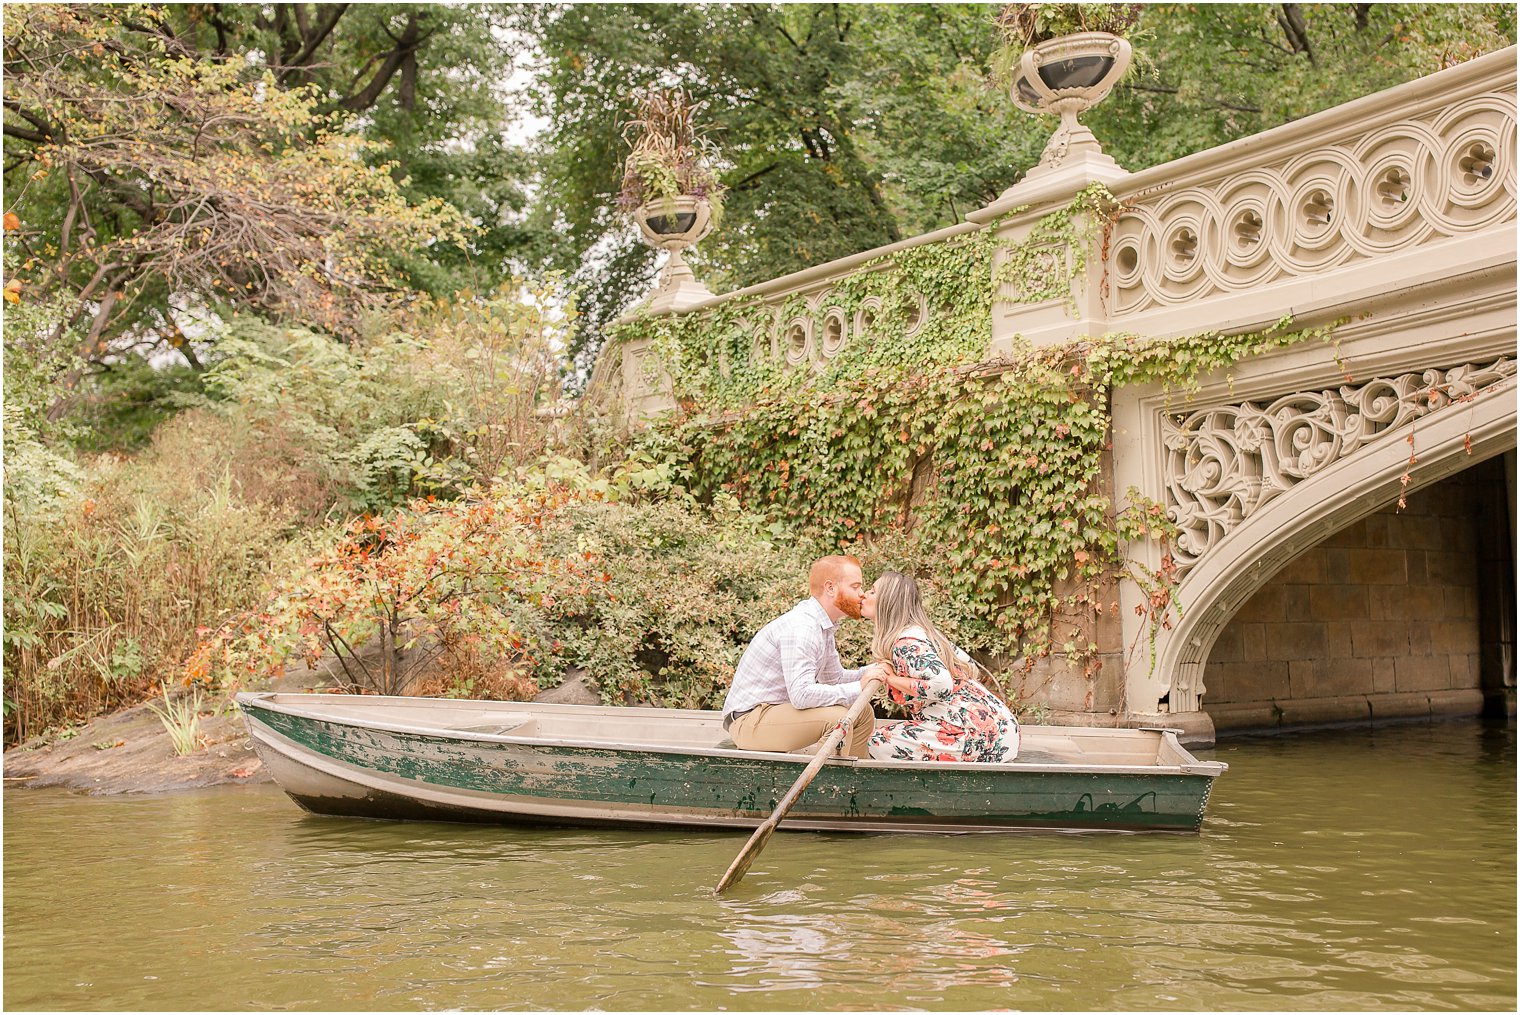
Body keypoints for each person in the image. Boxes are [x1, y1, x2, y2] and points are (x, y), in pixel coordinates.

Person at [721, 554, 892, 758]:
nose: (862, 595)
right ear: (830, 588)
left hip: (773, 713)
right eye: (855, 587)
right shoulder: (803, 628)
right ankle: (827, 787)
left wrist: (873, 670)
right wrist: (859, 686)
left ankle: (853, 784)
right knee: (840, 717)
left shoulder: (823, 627)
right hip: (749, 722)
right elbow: (801, 695)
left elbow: (834, 679)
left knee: (862, 713)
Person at [861, 570, 1020, 763]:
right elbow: (971, 667)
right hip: (1004, 730)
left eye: (872, 591)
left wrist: (891, 678)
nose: (864, 595)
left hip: (979, 738)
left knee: (878, 742)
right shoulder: (926, 633)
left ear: (887, 603)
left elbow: (941, 685)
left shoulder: (906, 643)